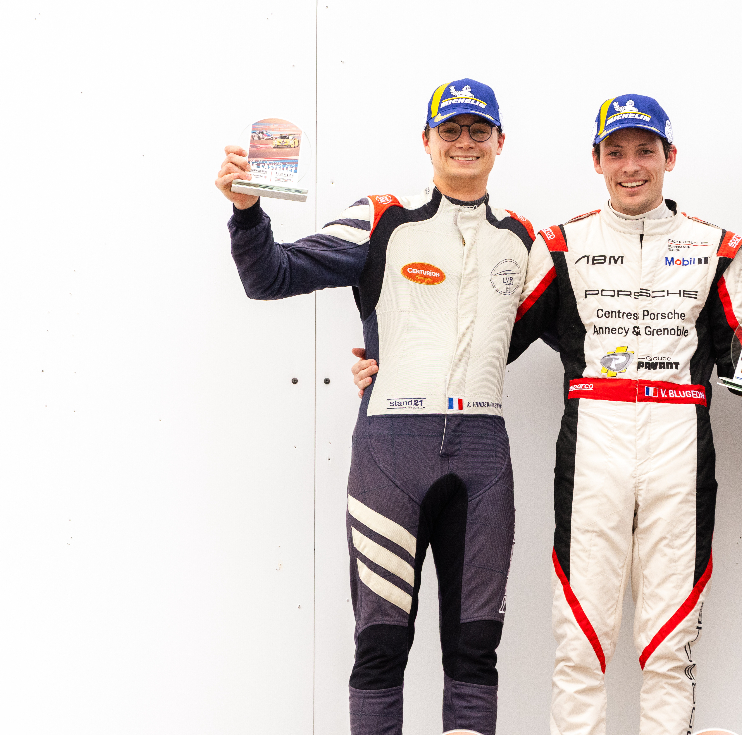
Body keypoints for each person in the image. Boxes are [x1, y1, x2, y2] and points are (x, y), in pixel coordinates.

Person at [353, 94, 742, 735]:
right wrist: (396, 365)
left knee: (670, 640)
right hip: (593, 447)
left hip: (680, 448)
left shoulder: (718, 247)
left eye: (645, 151)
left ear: (669, 157)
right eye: (616, 151)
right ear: (596, 161)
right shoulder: (561, 244)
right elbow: (490, 337)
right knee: (580, 638)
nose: (631, 166)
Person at [216, 79, 533, 735]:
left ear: (500, 142)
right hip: (392, 457)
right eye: (451, 130)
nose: (465, 142)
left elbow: (575, 331)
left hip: (484, 464)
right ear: (426, 141)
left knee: (476, 649)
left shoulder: (526, 239)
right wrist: (248, 212)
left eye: (479, 130)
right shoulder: (382, 218)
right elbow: (270, 275)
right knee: (381, 644)